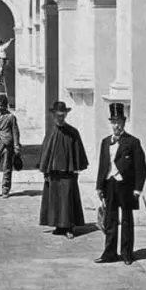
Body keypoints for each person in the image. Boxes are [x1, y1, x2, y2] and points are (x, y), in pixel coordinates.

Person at [94, 102, 146, 264]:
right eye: (113, 122)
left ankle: (126, 254)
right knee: (110, 220)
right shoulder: (105, 142)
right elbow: (103, 165)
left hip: (126, 187)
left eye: (119, 122)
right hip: (110, 184)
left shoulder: (132, 142)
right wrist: (99, 186)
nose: (116, 125)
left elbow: (141, 168)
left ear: (124, 122)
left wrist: (138, 189)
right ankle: (109, 253)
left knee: (126, 220)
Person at [37, 100, 89, 238]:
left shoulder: (72, 132)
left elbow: (78, 153)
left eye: (62, 115)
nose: (60, 117)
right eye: (58, 115)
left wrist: (76, 169)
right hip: (53, 173)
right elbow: (45, 152)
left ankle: (69, 228)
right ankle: (59, 226)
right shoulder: (51, 132)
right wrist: (45, 171)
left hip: (67, 173)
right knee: (55, 200)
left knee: (67, 200)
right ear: (54, 115)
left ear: (65, 115)